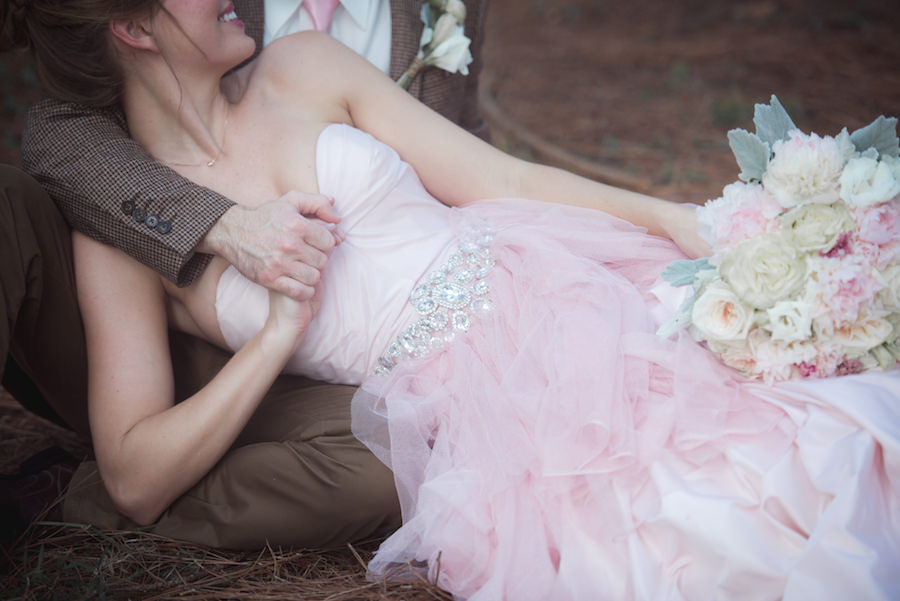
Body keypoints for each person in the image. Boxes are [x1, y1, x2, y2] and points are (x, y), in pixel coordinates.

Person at [8, 2, 900, 600]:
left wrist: (670, 217)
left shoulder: (304, 67)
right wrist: (274, 335)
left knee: (772, 434)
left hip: (546, 283)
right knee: (666, 529)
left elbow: (497, 177)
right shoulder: (115, 225)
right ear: (132, 28)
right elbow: (133, 471)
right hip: (458, 403)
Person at [1, 0, 487, 548]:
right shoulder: (201, 40)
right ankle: (101, 493)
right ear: (135, 25)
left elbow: (469, 151)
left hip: (348, 355)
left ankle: (86, 489)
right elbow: (61, 135)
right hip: (176, 317)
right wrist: (226, 228)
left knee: (412, 449)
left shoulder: (422, 19)